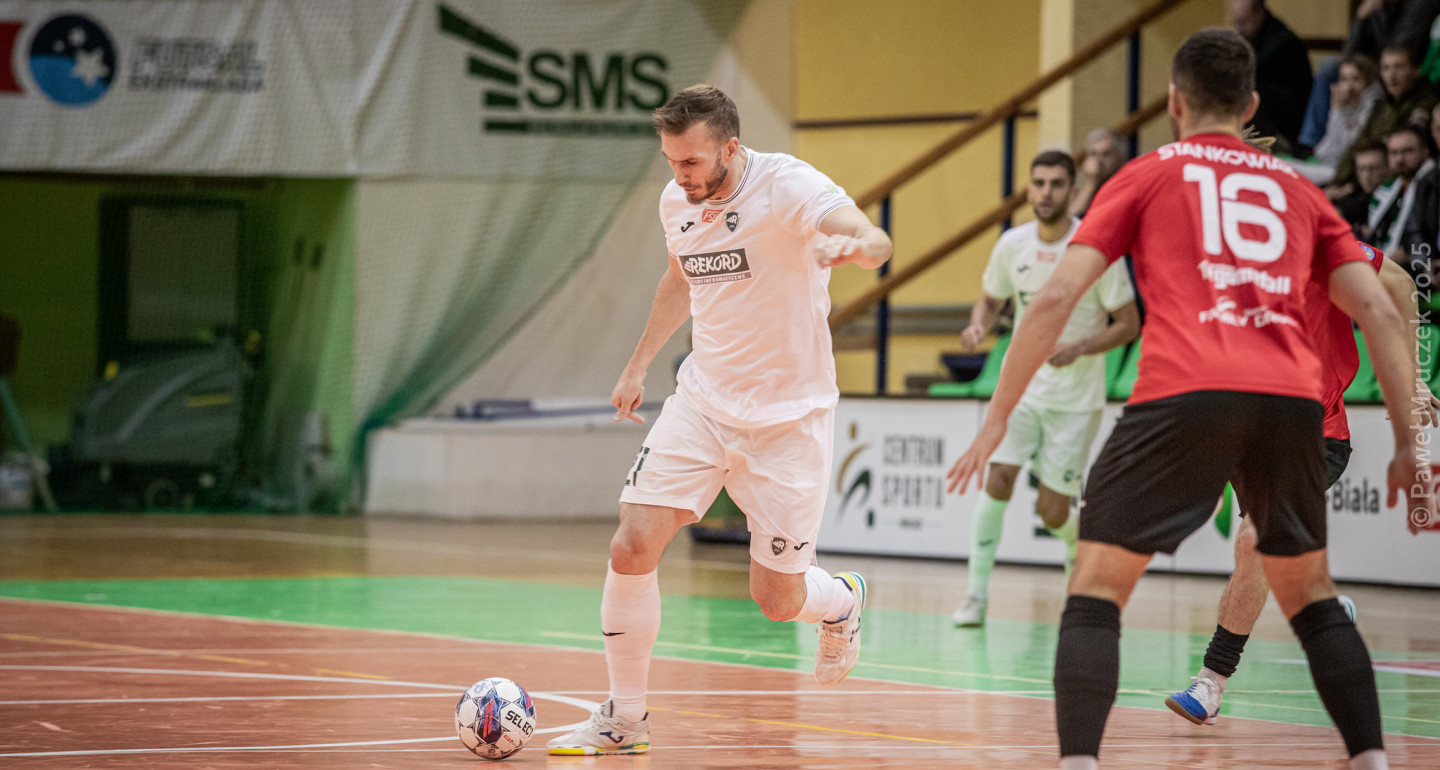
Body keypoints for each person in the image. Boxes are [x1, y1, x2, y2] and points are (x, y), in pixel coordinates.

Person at [946, 29, 1432, 770]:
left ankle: (1089, 754)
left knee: (1098, 583)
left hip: (1190, 394)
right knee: (1309, 593)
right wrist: (1407, 432)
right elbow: (1378, 304)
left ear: (1174, 102)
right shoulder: (1300, 193)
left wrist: (996, 418)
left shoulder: (1149, 174)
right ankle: (1372, 757)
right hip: (1290, 404)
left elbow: (1054, 300)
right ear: (1253, 105)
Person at [546, 84, 893, 756]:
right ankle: (625, 719)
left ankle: (840, 600)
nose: (680, 176)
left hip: (789, 420)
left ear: (730, 148)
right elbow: (681, 278)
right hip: (703, 403)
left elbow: (870, 237)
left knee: (777, 600)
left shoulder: (787, 186)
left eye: (692, 162)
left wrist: (856, 248)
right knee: (631, 543)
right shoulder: (676, 201)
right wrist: (637, 364)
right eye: (671, 161)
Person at [1165, 234, 1439, 726]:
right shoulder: (1213, 246)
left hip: (1316, 432)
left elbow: (1399, 283)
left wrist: (1411, 376)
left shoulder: (1316, 235)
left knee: (1253, 542)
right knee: (1270, 555)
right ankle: (1325, 611)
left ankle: (1210, 683)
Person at [952, 150, 1139, 628]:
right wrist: (978, 325)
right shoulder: (1011, 244)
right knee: (997, 479)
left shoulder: (1095, 247)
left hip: (1075, 401)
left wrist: (1080, 347)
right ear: (1029, 189)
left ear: (1073, 190)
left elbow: (1128, 324)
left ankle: (1076, 549)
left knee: (1053, 511)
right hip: (1021, 391)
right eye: (1039, 183)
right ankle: (975, 596)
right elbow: (990, 300)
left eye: (1057, 183)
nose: (1046, 192)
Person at [1335, 44, 1438, 185]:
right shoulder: (1381, 105)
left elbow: (1406, 145)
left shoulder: (1427, 102)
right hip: (1368, 180)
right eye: (1386, 68)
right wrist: (1338, 182)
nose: (1392, 75)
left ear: (1415, 70)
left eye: (1399, 67)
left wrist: (1352, 187)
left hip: (1405, 178)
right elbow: (1359, 144)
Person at [1231, 0, 1312, 153]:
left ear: (1259, 14)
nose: (1238, 30)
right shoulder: (1255, 38)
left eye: (1243, 23)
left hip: (1286, 129)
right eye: (1236, 23)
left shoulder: (1283, 42)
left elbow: (1247, 68)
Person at [1290, 54, 1382, 186]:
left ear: (1368, 81)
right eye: (1344, 79)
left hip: (1340, 171)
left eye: (1355, 79)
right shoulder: (1347, 104)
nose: (1349, 87)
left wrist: (1337, 111)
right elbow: (1328, 148)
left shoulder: (1372, 106)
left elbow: (1345, 149)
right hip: (1326, 164)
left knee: (1281, 169)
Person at [1369, 125, 1435, 259]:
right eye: (1394, 153)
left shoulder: (1433, 186)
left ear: (1425, 152)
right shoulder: (1387, 188)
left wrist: (1408, 255)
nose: (1399, 159)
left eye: (1407, 151)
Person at [1334, 141, 1391, 240]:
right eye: (1362, 169)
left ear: (1388, 167)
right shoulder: (1351, 200)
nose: (1367, 176)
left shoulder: (1395, 201)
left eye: (1373, 168)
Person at [1069, 128, 1127, 218]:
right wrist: (1091, 182)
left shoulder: (1127, 184)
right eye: (1093, 154)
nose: (1099, 161)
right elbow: (1073, 219)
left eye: (1106, 154)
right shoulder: (1085, 184)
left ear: (1120, 157)